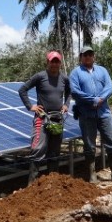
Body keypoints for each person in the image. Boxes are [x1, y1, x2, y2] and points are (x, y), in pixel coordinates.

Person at [69, 45, 112, 184]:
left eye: (90, 54)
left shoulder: (102, 70)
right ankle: (92, 174)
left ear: (94, 56)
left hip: (104, 112)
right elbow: (75, 91)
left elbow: (110, 87)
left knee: (111, 141)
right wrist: (92, 99)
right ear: (81, 57)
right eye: (85, 54)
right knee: (89, 145)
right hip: (86, 114)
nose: (88, 56)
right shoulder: (75, 73)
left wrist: (101, 99)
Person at [18, 51, 71, 183]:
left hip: (57, 119)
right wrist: (30, 106)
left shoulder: (64, 78)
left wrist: (66, 104)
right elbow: (22, 90)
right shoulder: (40, 76)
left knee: (54, 151)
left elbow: (70, 92)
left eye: (57, 61)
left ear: (60, 63)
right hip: (42, 118)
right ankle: (32, 184)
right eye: (52, 61)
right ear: (47, 62)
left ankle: (52, 182)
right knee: (37, 149)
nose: (54, 64)